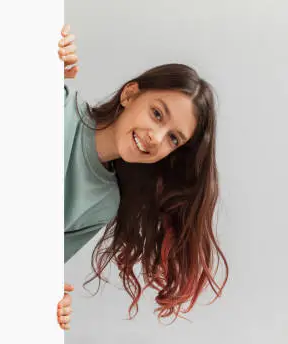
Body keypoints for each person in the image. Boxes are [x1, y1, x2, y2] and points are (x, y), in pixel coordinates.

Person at [56, 24, 229, 330]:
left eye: (173, 139)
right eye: (157, 114)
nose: (156, 138)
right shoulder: (60, 103)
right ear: (130, 94)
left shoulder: (103, 203)